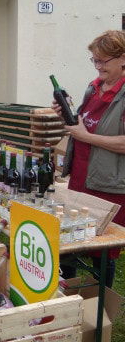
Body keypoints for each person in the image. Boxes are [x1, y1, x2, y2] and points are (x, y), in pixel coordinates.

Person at [52, 30, 125, 287]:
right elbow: (84, 126)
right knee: (71, 236)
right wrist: (66, 115)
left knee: (102, 247)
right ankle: (66, 294)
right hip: (82, 177)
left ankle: (100, 304)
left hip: (108, 184)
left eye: (103, 61)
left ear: (123, 59)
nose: (98, 66)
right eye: (94, 60)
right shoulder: (93, 88)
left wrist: (86, 136)